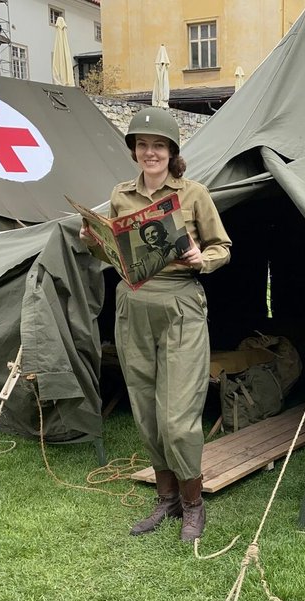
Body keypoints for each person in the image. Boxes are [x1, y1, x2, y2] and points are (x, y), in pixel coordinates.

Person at [82, 107, 231, 541]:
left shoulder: (194, 193)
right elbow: (113, 256)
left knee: (178, 418)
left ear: (172, 151)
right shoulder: (120, 195)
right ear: (134, 150)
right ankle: (165, 499)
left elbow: (223, 246)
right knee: (146, 411)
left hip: (180, 305)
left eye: (158, 145)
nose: (150, 152)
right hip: (132, 307)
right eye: (142, 144)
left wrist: (204, 258)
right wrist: (94, 243)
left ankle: (192, 504)